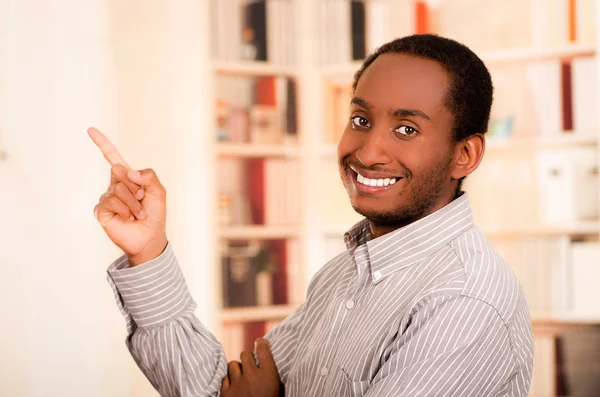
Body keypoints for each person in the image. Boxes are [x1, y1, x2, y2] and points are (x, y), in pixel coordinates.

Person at [91, 34, 534, 397]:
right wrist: (148, 252)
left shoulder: (462, 302)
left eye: (406, 129)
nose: (368, 151)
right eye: (361, 119)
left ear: (466, 154)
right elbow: (221, 392)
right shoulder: (344, 275)